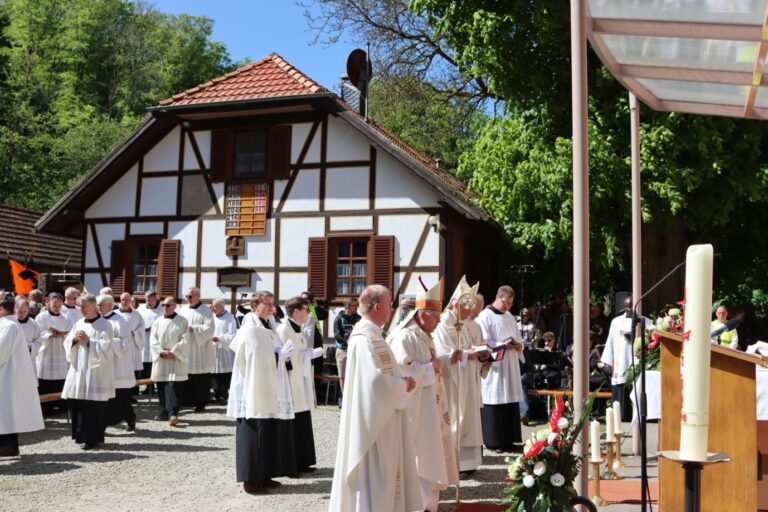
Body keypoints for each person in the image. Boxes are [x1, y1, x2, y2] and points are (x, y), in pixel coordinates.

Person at [329, 285, 421, 512]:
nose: (392, 309)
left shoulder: (376, 336)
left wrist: (401, 381)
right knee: (373, 477)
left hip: (385, 416)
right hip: (372, 424)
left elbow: (385, 373)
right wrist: (402, 384)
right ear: (378, 306)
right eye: (389, 304)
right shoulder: (363, 339)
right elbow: (371, 383)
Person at [387, 278, 457, 511]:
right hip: (414, 410)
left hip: (428, 407)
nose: (439, 323)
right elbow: (400, 373)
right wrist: (430, 368)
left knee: (428, 453)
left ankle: (427, 503)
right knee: (418, 455)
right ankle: (416, 504)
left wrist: (437, 365)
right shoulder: (405, 336)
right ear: (423, 314)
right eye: (436, 318)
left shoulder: (424, 335)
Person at [234, 291, 297, 494]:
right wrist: (277, 355)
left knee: (268, 429)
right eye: (267, 304)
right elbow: (253, 357)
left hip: (268, 384)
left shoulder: (267, 326)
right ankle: (251, 480)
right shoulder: (251, 327)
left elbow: (269, 352)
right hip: (254, 387)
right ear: (254, 305)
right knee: (255, 431)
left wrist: (280, 355)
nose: (272, 308)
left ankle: (264, 474)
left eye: (272, 304)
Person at [433, 277, 485, 479]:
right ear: (455, 304)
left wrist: (479, 355)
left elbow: (465, 349)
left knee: (469, 420)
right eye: (466, 307)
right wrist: (465, 356)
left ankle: (467, 464)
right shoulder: (443, 325)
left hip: (467, 380)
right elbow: (441, 354)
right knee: (456, 419)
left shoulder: (461, 324)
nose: (469, 312)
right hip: (452, 382)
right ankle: (453, 464)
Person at [276, 296, 324, 473]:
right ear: (296, 311)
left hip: (301, 382)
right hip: (290, 383)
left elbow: (299, 352)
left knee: (303, 421)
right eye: (306, 310)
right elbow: (283, 359)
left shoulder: (300, 329)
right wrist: (305, 356)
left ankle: (304, 460)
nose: (308, 313)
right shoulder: (283, 330)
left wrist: (309, 354)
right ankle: (291, 465)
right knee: (291, 424)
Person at [61, 293, 115, 450]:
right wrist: (74, 340)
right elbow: (67, 342)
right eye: (81, 306)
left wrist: (90, 341)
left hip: (96, 373)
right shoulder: (78, 323)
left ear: (93, 306)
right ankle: (81, 435)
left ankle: (94, 438)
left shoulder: (105, 325)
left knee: (94, 406)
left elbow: (107, 347)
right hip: (79, 370)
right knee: (80, 403)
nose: (81, 309)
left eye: (84, 306)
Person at [477, 285, 525, 451]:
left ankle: (510, 439)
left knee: (510, 403)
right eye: (505, 303)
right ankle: (494, 441)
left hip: (510, 364)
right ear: (498, 298)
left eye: (510, 304)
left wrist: (518, 345)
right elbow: (482, 342)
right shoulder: (484, 316)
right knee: (495, 399)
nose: (507, 307)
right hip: (496, 366)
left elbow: (519, 339)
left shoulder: (510, 317)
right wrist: (501, 345)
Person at [0, 295, 45, 456]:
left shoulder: (9, 326)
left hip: (6, 376)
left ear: (1, 309)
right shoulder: (10, 324)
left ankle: (7, 447)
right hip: (7, 374)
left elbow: (1, 352)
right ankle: (8, 447)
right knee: (6, 412)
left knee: (5, 412)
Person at [598, 296, 652, 422]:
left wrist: (634, 337)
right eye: (626, 307)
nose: (628, 310)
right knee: (622, 385)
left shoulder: (645, 321)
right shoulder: (616, 322)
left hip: (636, 361)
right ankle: (622, 416)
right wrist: (607, 362)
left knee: (637, 384)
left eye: (631, 307)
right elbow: (610, 342)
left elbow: (650, 340)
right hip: (621, 362)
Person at [99, 295, 136, 432]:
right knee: (104, 397)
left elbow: (125, 344)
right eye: (98, 305)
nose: (99, 308)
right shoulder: (98, 320)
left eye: (101, 305)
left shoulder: (120, 321)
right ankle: (102, 424)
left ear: (109, 305)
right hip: (103, 363)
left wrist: (109, 341)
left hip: (118, 365)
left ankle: (130, 418)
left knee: (121, 398)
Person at [150, 296, 188, 426]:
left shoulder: (182, 321)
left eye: (168, 305)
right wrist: (161, 352)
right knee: (162, 385)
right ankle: (165, 411)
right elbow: (153, 339)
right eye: (163, 305)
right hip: (162, 357)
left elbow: (185, 340)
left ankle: (173, 413)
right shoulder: (157, 321)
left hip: (174, 358)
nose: (165, 308)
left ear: (174, 306)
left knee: (173, 386)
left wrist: (173, 352)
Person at [179, 287, 215, 412]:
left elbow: (210, 329)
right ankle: (186, 401)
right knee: (186, 375)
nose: (187, 299)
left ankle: (201, 403)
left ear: (198, 296)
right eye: (186, 296)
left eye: (190, 296)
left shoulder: (206, 311)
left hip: (200, 349)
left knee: (200, 378)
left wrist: (193, 328)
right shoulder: (182, 310)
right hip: (186, 347)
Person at [35, 292, 71, 413]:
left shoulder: (65, 318)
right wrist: (49, 335)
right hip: (46, 352)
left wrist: (64, 334)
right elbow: (37, 333)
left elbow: (70, 333)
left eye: (59, 306)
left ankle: (60, 405)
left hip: (60, 351)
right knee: (45, 382)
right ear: (49, 303)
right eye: (55, 305)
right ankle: (46, 408)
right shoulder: (41, 317)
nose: (57, 308)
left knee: (60, 380)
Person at [117, 292, 146, 396]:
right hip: (119, 346)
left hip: (133, 344)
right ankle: (121, 394)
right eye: (122, 300)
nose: (124, 302)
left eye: (127, 300)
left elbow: (142, 327)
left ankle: (132, 394)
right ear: (120, 301)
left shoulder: (136, 314)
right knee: (121, 370)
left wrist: (135, 333)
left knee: (132, 371)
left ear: (130, 301)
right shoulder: (115, 313)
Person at [211, 299, 237, 403]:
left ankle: (223, 396)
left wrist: (220, 338)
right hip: (213, 349)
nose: (212, 308)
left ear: (221, 307)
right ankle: (215, 394)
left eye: (215, 307)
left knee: (223, 374)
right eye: (212, 306)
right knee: (213, 374)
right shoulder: (212, 317)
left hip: (224, 350)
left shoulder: (230, 318)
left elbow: (232, 334)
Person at [333, 296, 360, 391]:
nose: (357, 307)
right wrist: (348, 343)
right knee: (343, 377)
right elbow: (337, 335)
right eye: (354, 305)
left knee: (355, 376)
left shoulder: (359, 319)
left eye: (357, 305)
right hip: (343, 351)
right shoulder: (338, 319)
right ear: (347, 306)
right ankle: (344, 399)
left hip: (356, 351)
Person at [137, 291, 162, 394]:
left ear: (155, 298)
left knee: (154, 363)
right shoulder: (141, 309)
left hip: (157, 341)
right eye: (147, 300)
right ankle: (147, 387)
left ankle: (154, 387)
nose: (148, 302)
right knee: (144, 364)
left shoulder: (162, 309)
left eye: (150, 300)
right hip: (143, 340)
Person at [300, 291, 329, 375]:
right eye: (303, 299)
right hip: (305, 342)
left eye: (307, 299)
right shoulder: (299, 310)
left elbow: (324, 315)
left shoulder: (313, 309)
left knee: (318, 367)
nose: (305, 301)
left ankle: (317, 386)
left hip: (316, 341)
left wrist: (316, 305)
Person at [13, 297, 41, 380]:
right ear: (15, 309)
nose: (22, 314)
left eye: (25, 311)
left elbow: (39, 341)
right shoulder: (11, 323)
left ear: (28, 309)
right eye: (19, 312)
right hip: (14, 359)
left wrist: (31, 347)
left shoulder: (34, 323)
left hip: (29, 360)